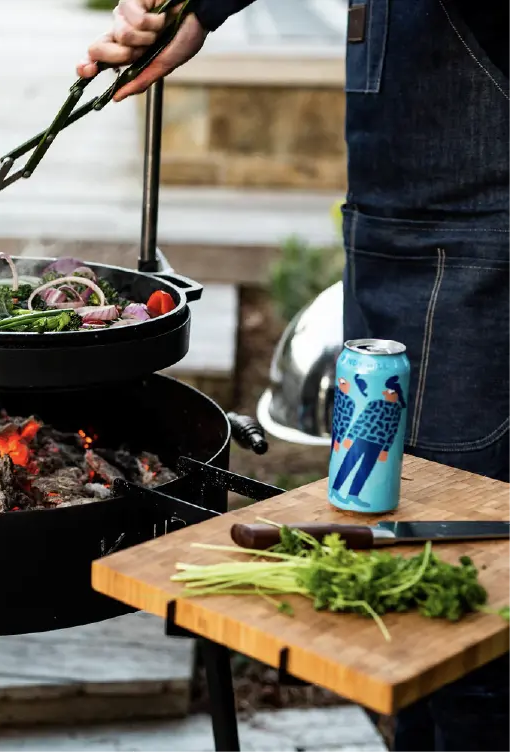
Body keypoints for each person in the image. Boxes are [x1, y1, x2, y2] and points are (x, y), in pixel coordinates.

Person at [80, 1, 510, 750]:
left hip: (479, 254)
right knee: (408, 609)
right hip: (391, 234)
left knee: (472, 625)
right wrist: (198, 11)